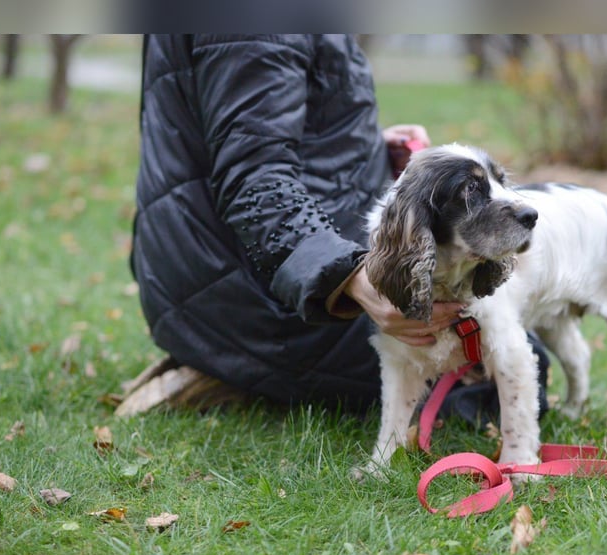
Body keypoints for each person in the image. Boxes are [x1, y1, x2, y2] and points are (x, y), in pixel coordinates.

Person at [131, 34, 548, 420]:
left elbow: (246, 128)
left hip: (216, 260)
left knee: (499, 334)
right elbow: (254, 182)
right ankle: (232, 370)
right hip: (241, 286)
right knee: (498, 365)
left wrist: (366, 147)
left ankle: (237, 366)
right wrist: (353, 280)